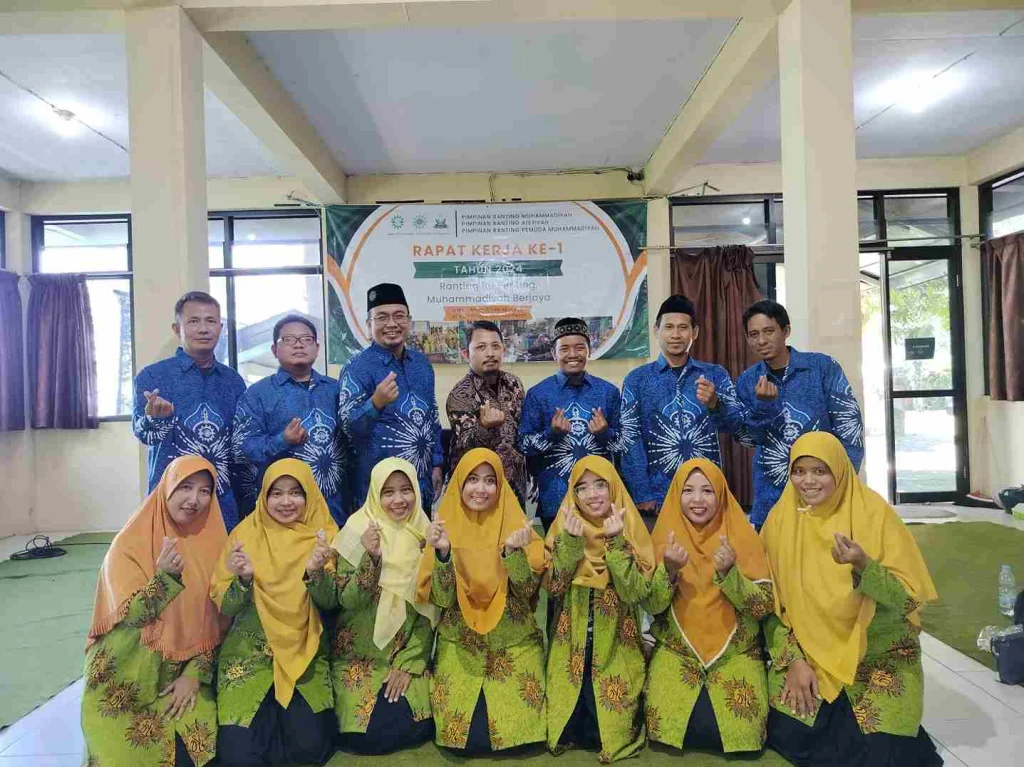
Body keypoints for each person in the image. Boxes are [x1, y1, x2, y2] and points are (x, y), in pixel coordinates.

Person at [762, 433, 941, 767]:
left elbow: (907, 602)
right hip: (810, 654)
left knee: (883, 753)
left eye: (820, 471)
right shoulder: (780, 521)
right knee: (791, 735)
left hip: (876, 653)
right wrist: (794, 662)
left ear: (840, 471)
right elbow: (770, 607)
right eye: (799, 471)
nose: (808, 481)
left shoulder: (873, 514)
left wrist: (864, 565)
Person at [82, 456, 227, 767]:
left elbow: (218, 624)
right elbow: (133, 618)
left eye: (205, 491)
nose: (194, 500)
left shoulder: (214, 544)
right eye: (185, 487)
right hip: (128, 673)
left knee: (199, 755)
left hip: (184, 670)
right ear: (167, 488)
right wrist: (164, 579)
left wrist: (194, 675)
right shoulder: (128, 545)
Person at [415, 448, 547, 753]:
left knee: (517, 737)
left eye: (490, 481)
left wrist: (512, 553)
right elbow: (442, 599)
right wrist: (444, 554)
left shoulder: (518, 526)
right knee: (467, 739)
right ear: (459, 483)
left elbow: (528, 592)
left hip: (513, 643)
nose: (481, 489)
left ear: (500, 486)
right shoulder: (443, 529)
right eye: (472, 479)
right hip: (461, 644)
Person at [211, 459, 340, 767]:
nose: (286, 502)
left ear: (309, 495)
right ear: (264, 496)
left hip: (304, 651)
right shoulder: (244, 535)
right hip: (250, 654)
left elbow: (331, 603)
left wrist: (315, 572)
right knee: (238, 758)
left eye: (295, 492)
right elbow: (226, 606)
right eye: (276, 493)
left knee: (309, 752)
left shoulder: (325, 537)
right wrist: (243, 580)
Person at [308, 458, 438, 754]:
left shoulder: (425, 534)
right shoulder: (356, 531)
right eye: (388, 492)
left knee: (415, 724)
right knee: (364, 735)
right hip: (359, 657)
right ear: (375, 494)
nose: (399, 500)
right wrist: (373, 558)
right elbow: (345, 601)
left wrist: (409, 663)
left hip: (405, 651)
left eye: (406, 490)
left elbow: (431, 610)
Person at [643, 458, 773, 754]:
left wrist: (729, 574)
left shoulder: (743, 538)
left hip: (736, 653)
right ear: (676, 495)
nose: (698, 500)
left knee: (743, 732)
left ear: (722, 494)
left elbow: (762, 607)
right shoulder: (664, 539)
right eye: (688, 491)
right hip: (678, 652)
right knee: (666, 728)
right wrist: (669, 570)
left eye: (707, 491)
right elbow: (653, 605)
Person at [544, 456, 655, 763]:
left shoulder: (629, 528)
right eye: (581, 488)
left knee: (610, 727)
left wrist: (616, 541)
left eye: (600, 485)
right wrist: (570, 543)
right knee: (564, 726)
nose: (592, 495)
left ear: (614, 488)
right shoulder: (564, 527)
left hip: (617, 648)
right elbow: (554, 588)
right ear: (573, 494)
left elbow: (636, 593)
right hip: (570, 647)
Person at [736, 300, 865, 528]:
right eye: (754, 335)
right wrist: (764, 406)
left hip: (824, 492)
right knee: (773, 550)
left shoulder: (821, 367)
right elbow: (748, 439)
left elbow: (849, 427)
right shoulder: (748, 381)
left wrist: (844, 482)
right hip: (771, 495)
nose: (761, 340)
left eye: (769, 331)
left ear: (785, 331)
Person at [619, 295, 745, 519]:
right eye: (668, 327)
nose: (676, 335)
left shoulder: (715, 374)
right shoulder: (636, 380)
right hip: (657, 496)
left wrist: (716, 405)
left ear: (694, 332)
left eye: (683, 327)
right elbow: (630, 439)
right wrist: (641, 492)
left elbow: (737, 426)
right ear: (656, 330)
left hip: (706, 492)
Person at [133, 291, 247, 530]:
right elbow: (143, 434)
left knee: (224, 554)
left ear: (220, 328)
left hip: (223, 496)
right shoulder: (153, 376)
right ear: (177, 329)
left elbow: (240, 443)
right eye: (194, 321)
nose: (203, 329)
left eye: (211, 321)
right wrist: (155, 419)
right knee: (170, 553)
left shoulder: (233, 381)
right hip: (172, 494)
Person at [233, 314, 347, 524]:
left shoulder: (336, 390)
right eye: (289, 340)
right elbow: (242, 450)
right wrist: (282, 440)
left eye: (306, 339)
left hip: (334, 508)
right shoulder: (258, 394)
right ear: (274, 349)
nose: (298, 345)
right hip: (283, 511)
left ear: (317, 347)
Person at [339, 283, 444, 510]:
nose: (392, 324)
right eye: (382, 317)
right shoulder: (357, 368)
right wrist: (375, 403)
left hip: (420, 485)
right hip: (380, 490)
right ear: (369, 325)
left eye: (399, 316)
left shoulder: (422, 364)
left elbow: (432, 418)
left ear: (409, 321)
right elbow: (348, 429)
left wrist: (437, 464)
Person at [518, 317, 621, 527]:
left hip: (600, 500)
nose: (572, 354)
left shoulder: (608, 392)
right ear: (553, 353)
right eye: (564, 349)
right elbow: (523, 445)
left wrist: (605, 434)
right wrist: (551, 434)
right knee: (558, 550)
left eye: (579, 348)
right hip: (555, 499)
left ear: (589, 351)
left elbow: (624, 445)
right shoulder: (538, 394)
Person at [446, 320, 527, 505]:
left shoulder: (514, 384)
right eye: (481, 347)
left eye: (495, 346)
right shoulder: (460, 394)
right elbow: (465, 446)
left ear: (503, 349)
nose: (490, 353)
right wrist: (483, 427)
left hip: (514, 486)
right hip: (477, 490)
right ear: (466, 353)